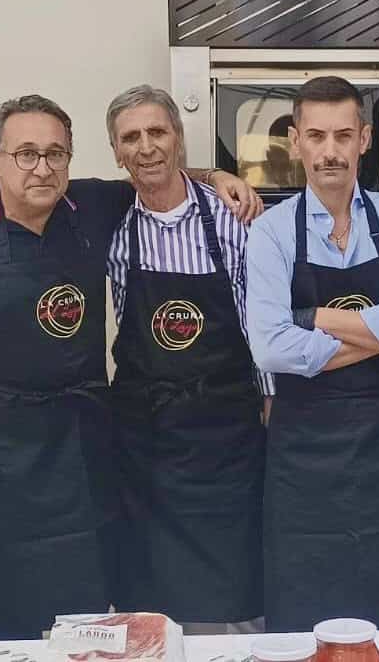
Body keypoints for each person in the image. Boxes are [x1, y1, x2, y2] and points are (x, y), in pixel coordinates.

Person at [0, 95, 261, 639]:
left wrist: (215, 174)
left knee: (99, 615)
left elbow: (156, 170)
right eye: (25, 154)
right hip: (3, 461)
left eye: (55, 153)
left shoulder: (90, 206)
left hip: (91, 447)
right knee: (20, 620)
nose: (42, 167)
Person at [246, 76, 379, 632]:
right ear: (295, 142)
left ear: (364, 139)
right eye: (316, 136)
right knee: (307, 615)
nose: (329, 151)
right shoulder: (271, 233)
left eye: (342, 135)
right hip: (302, 462)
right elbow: (269, 346)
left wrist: (316, 319)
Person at [105, 86, 269, 633]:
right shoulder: (109, 225)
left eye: (158, 132)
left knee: (235, 599)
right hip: (145, 444)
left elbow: (255, 321)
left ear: (178, 137)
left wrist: (270, 401)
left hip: (225, 436)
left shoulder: (231, 218)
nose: (147, 147)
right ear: (116, 152)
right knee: (153, 606)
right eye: (132, 138)